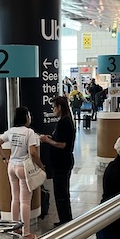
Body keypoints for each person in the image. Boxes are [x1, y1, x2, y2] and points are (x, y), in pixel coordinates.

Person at [0, 106, 44, 239]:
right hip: (23, 167)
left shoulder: (11, 131)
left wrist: (4, 158)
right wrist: (41, 166)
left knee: (15, 198)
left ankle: (14, 228)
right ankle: (26, 233)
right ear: (25, 117)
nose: (30, 118)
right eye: (29, 115)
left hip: (11, 166)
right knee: (25, 201)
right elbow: (33, 153)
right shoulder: (29, 132)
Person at [40, 96, 75, 226]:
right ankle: (65, 219)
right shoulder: (66, 121)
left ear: (59, 107)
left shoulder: (63, 122)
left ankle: (65, 220)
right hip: (62, 162)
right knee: (62, 192)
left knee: (61, 193)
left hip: (61, 163)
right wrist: (51, 137)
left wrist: (47, 140)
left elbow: (62, 144)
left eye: (54, 107)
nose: (53, 109)